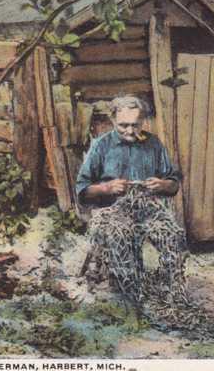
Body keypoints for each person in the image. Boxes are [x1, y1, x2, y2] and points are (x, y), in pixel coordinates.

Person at [75, 95, 188, 308]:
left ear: (143, 121)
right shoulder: (101, 145)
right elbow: (82, 190)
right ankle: (127, 296)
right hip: (111, 211)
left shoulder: (153, 144)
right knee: (122, 235)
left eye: (135, 125)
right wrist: (106, 188)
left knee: (172, 235)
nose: (129, 131)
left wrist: (162, 185)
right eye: (123, 126)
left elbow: (174, 183)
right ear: (112, 121)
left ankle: (170, 292)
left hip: (147, 209)